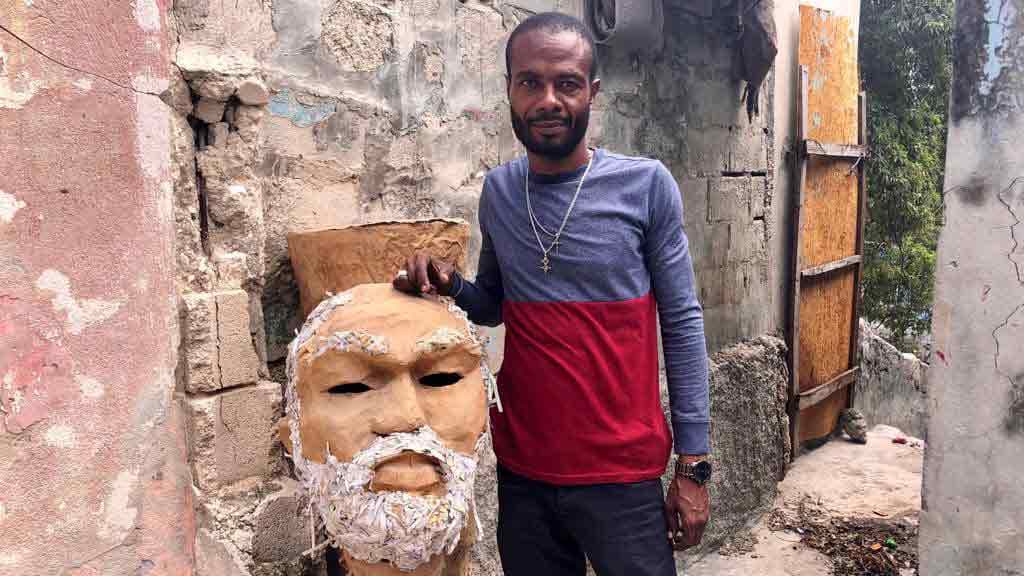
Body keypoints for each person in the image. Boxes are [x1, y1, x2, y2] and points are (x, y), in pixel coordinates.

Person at [393, 12, 711, 576]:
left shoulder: (646, 187)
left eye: (566, 83)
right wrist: (449, 285)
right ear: (510, 91)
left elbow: (682, 323)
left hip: (622, 476)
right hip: (525, 473)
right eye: (530, 82)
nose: (548, 100)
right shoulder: (500, 191)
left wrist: (694, 466)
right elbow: (493, 302)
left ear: (592, 93)